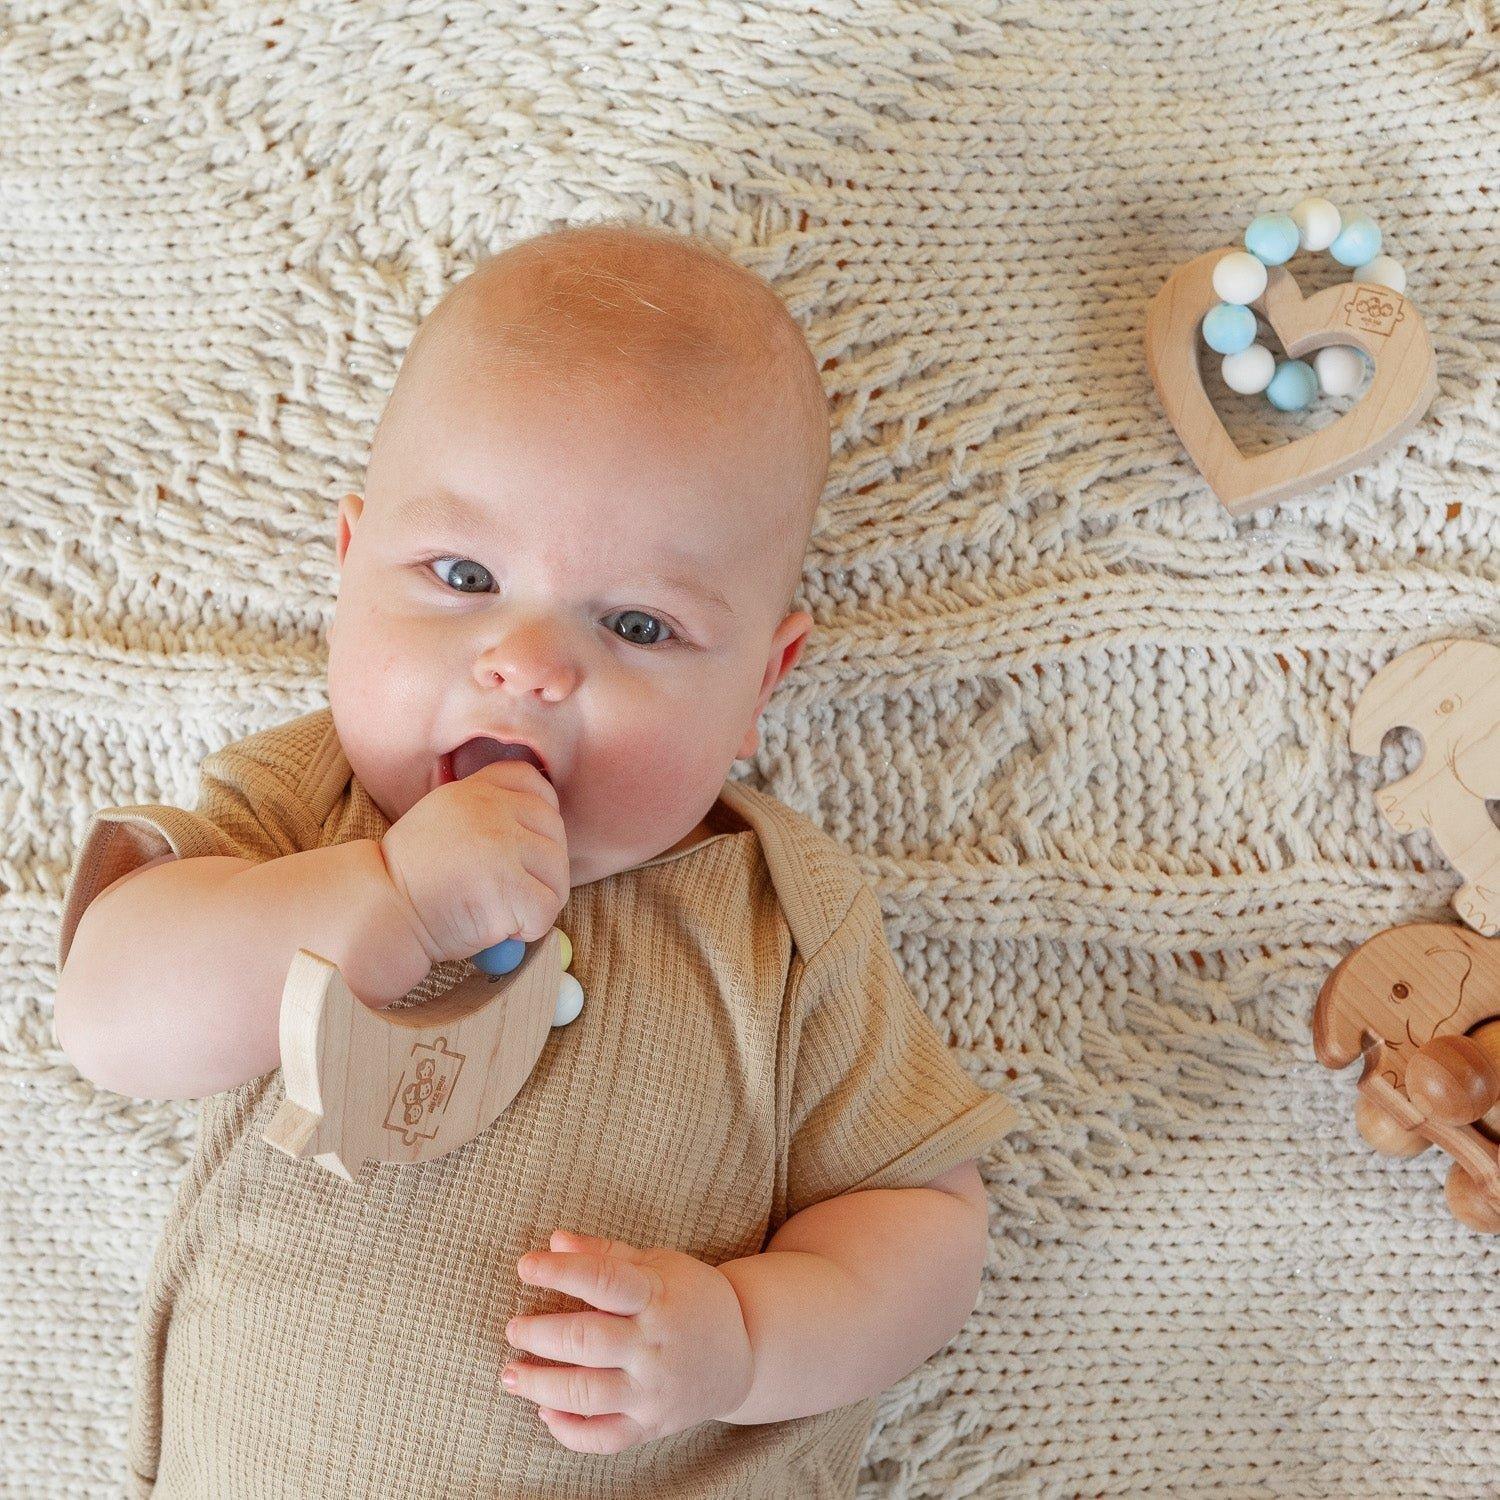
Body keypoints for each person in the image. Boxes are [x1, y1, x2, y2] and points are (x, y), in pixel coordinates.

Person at [53, 219, 1019, 1497]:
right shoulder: (311, 812)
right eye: (462, 573)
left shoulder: (782, 916)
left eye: (637, 624)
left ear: (759, 685)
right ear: (348, 571)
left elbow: (928, 1229)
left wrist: (740, 1343)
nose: (531, 666)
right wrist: (386, 896)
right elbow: (111, 1018)